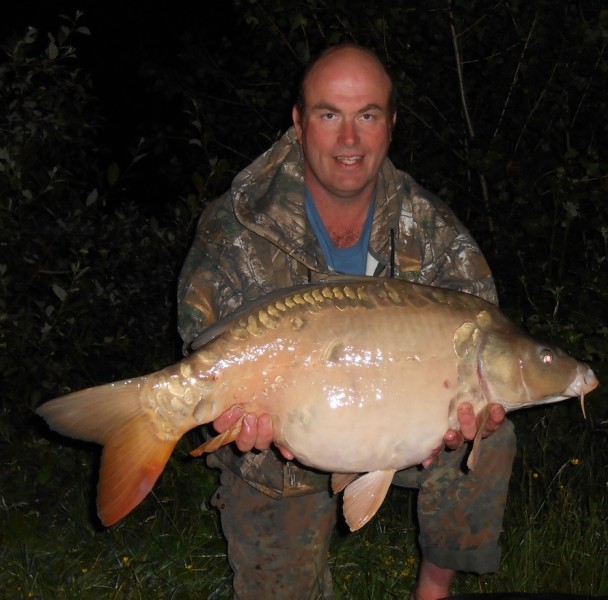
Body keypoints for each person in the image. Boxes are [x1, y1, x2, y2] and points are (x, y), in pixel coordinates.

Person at [177, 43, 516, 600]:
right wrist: (235, 416)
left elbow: (484, 339)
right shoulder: (238, 226)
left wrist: (458, 419)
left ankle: (433, 592)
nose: (349, 139)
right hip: (274, 454)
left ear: (391, 125)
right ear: (299, 122)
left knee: (493, 428)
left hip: (402, 428)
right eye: (329, 114)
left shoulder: (431, 231)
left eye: (368, 115)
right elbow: (203, 339)